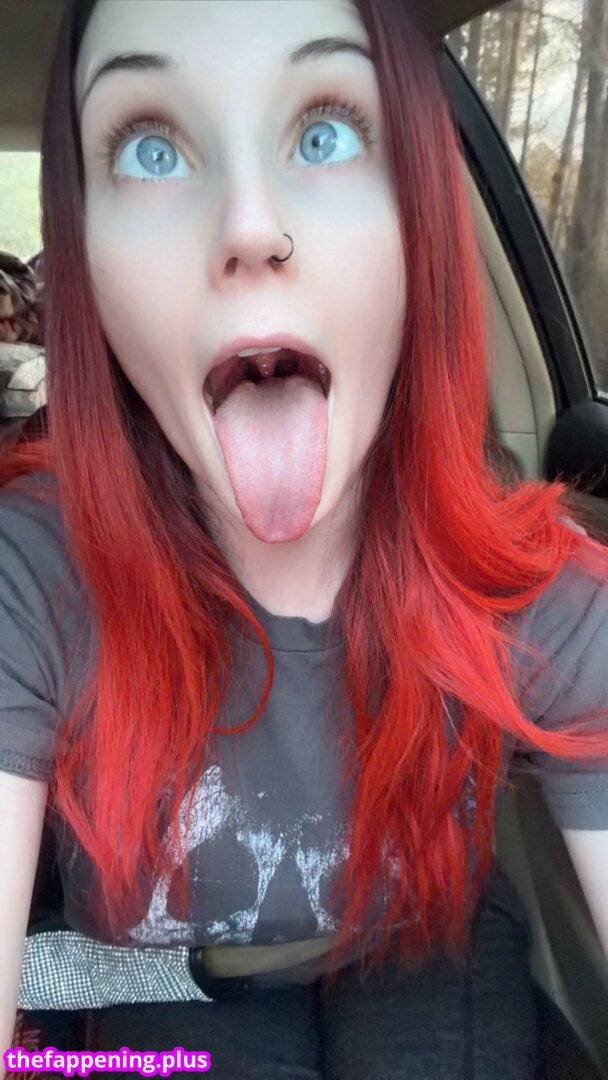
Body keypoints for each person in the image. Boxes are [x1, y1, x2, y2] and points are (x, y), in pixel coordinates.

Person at [1, 0, 608, 1076]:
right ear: (84, 259)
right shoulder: (31, 579)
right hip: (154, 970)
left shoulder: (533, 591)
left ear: (421, 223)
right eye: (150, 148)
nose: (249, 227)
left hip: (423, 938)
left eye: (325, 129)